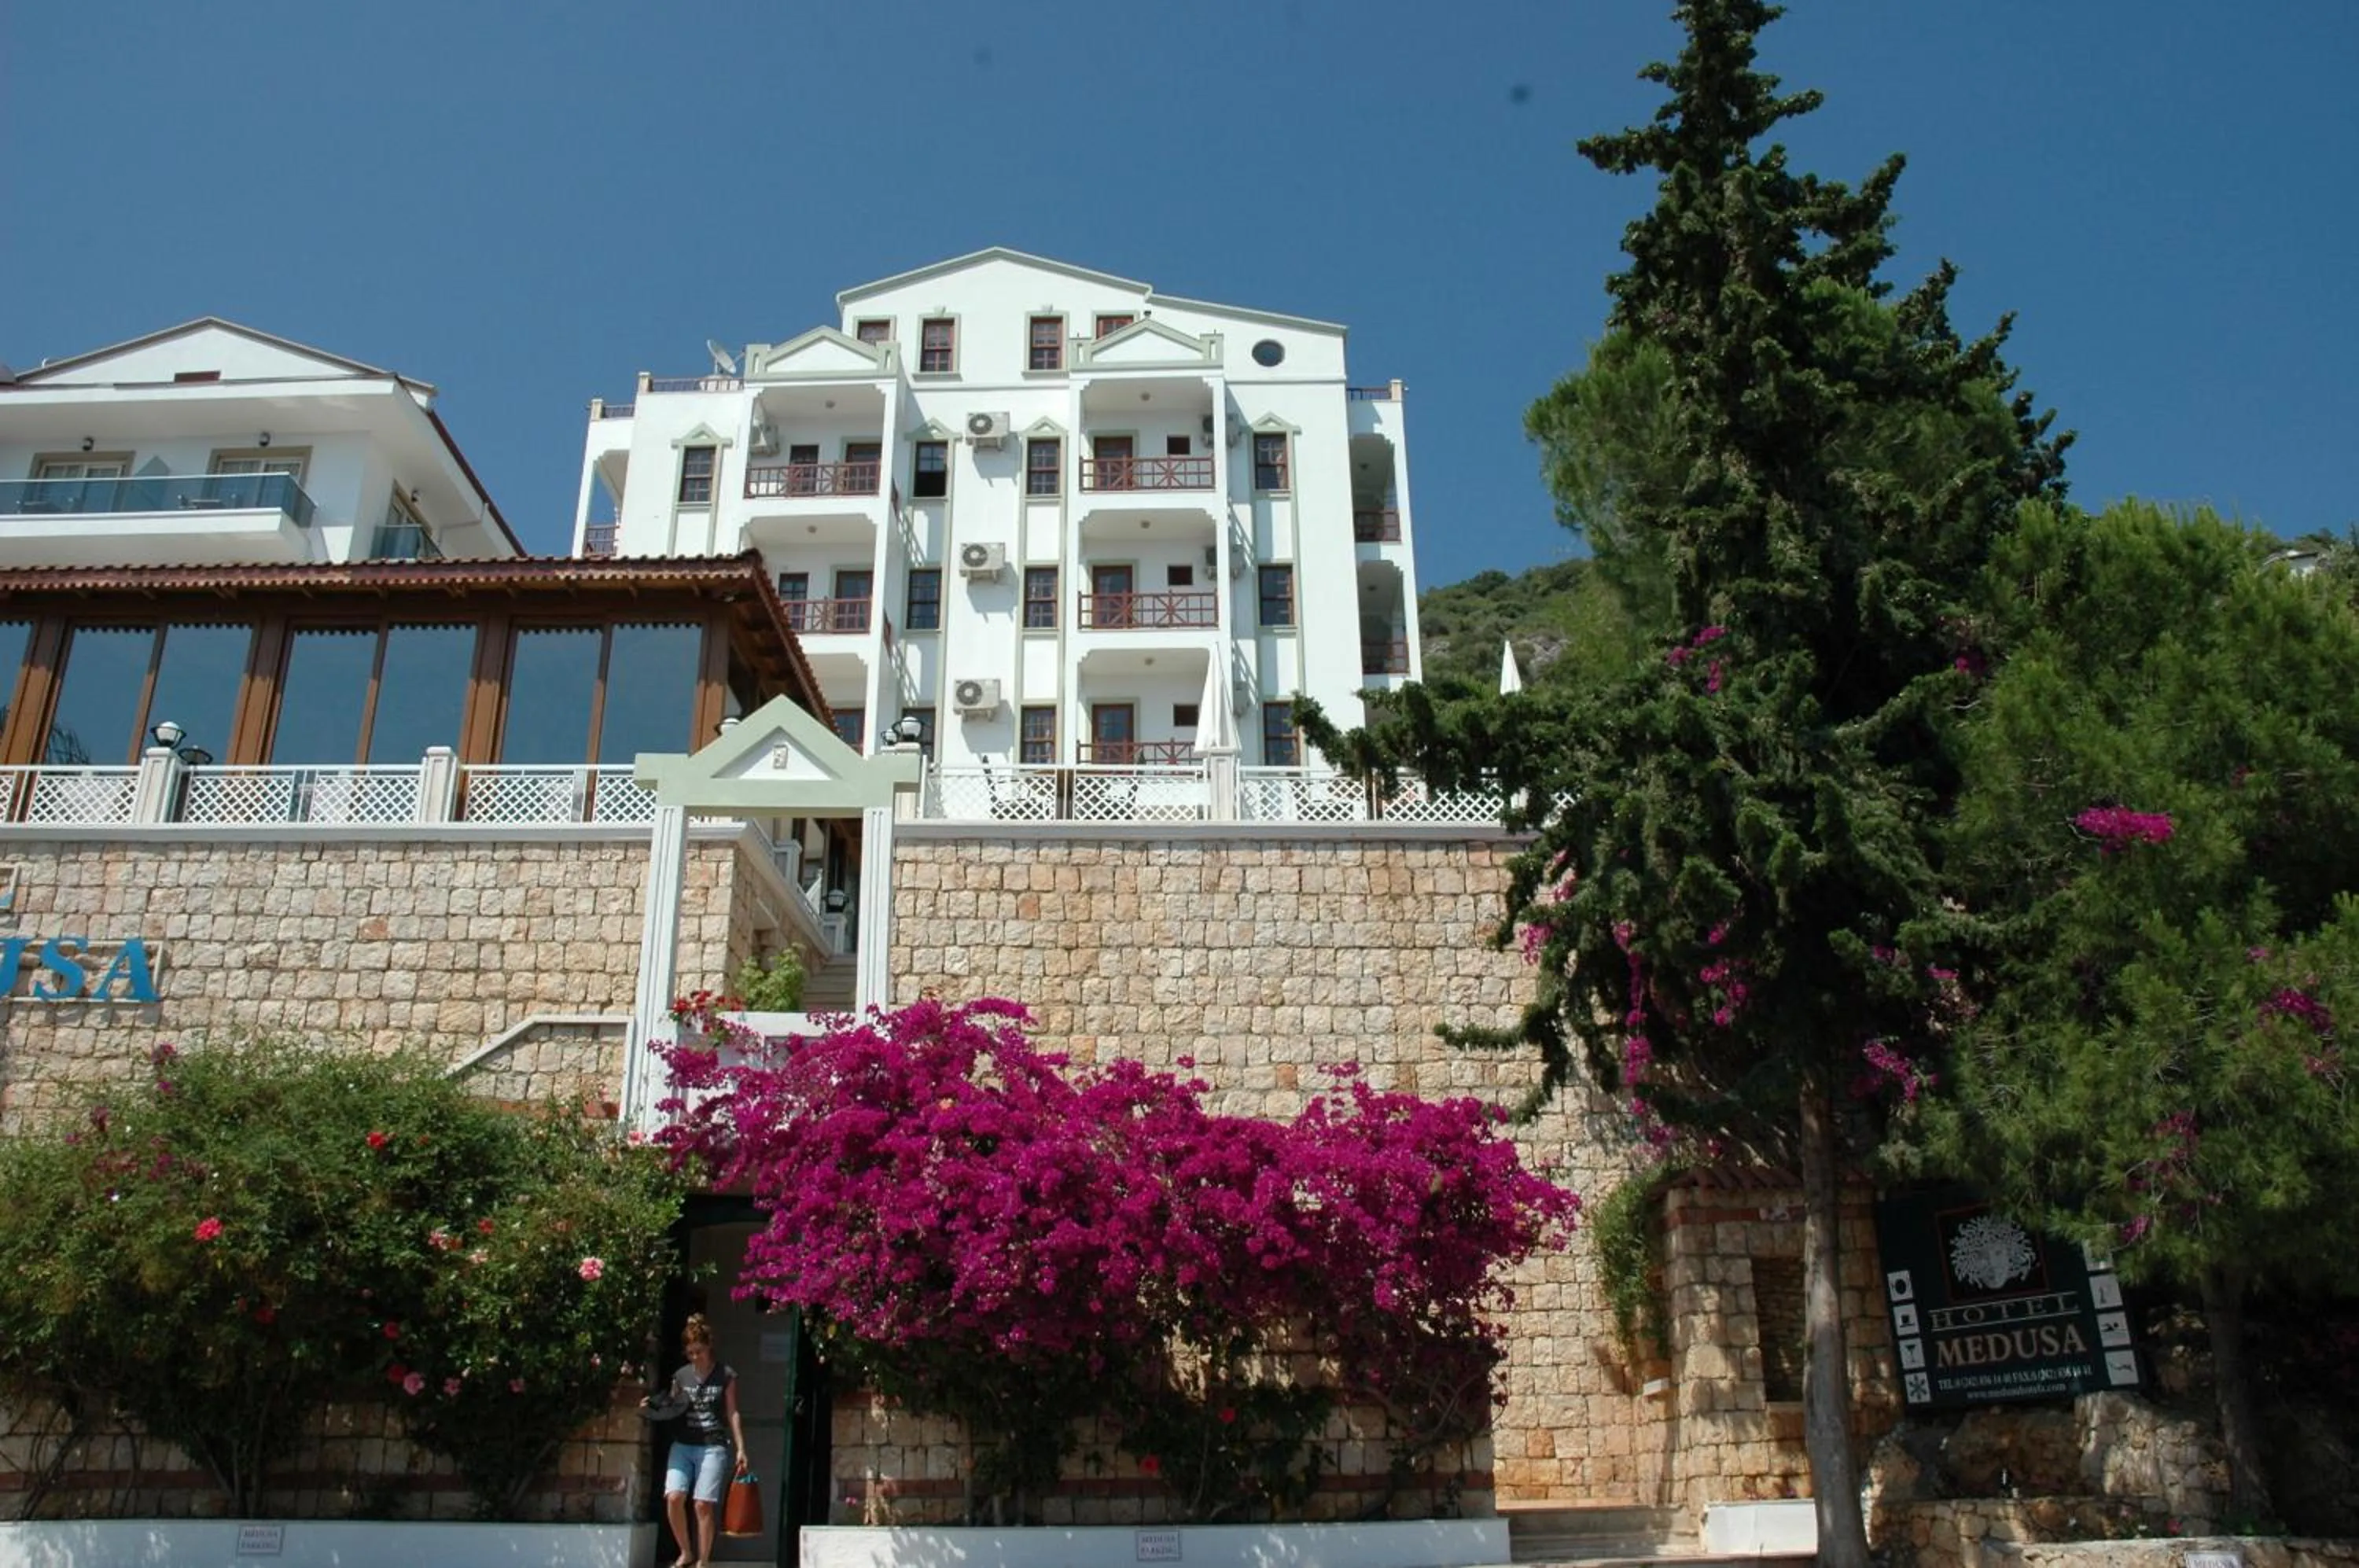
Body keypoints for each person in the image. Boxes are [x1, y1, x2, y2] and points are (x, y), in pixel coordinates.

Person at [647, 1313, 750, 1568]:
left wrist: (741, 1448)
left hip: (712, 1446)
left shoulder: (725, 1374)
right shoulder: (681, 1376)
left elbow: (732, 1412)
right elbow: (670, 1404)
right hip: (682, 1445)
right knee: (673, 1497)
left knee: (703, 1504)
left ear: (709, 1347)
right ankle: (686, 1552)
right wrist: (652, 1405)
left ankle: (703, 1561)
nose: (695, 1358)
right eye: (690, 1353)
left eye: (699, 1351)